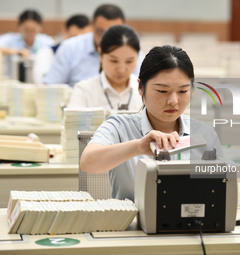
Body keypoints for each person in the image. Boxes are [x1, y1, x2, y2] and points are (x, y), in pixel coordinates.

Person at [80, 45, 224, 201]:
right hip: (133, 224)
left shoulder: (204, 133)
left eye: (183, 91)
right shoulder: (119, 126)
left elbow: (221, 188)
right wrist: (138, 147)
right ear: (141, 87)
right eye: (162, 91)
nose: (173, 101)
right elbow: (88, 162)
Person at [43, 4, 144, 87]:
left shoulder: (133, 53)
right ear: (92, 24)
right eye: (101, 32)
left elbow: (140, 87)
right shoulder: (70, 48)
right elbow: (51, 87)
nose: (106, 39)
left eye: (113, 35)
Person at [67, 24, 143, 113]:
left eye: (129, 61)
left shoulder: (145, 90)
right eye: (114, 61)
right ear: (101, 55)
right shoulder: (84, 91)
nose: (121, 69)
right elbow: (73, 125)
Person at [33, 14, 91, 84]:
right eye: (73, 37)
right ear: (64, 31)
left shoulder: (95, 56)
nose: (78, 44)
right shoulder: (48, 53)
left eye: (84, 39)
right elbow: (41, 81)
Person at [0, 9, 54, 78]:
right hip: (13, 82)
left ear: (40, 27)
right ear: (19, 26)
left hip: (39, 83)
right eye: (26, 30)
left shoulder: (47, 41)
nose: (30, 33)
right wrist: (17, 51)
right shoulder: (10, 39)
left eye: (33, 30)